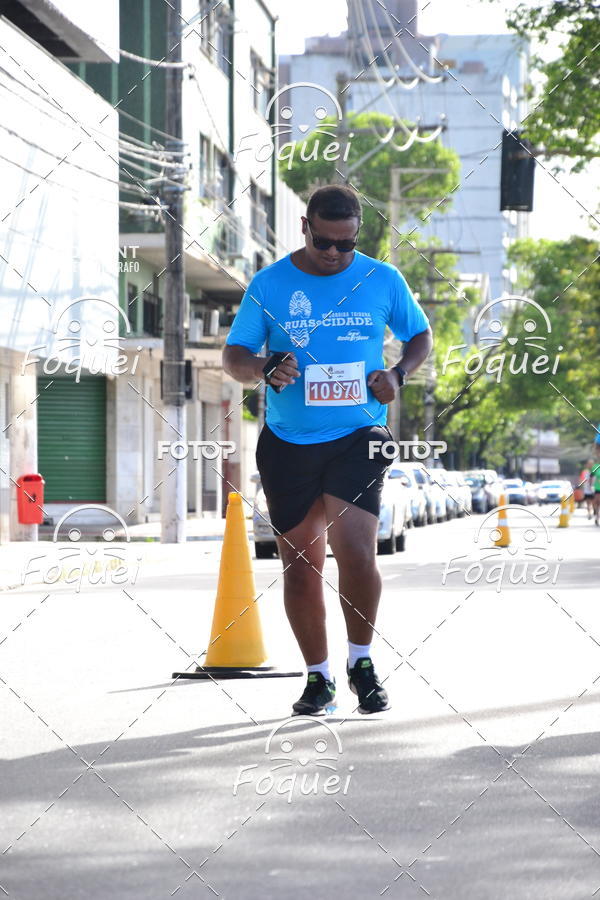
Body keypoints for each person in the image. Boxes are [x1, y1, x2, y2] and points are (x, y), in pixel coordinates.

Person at [223, 184, 432, 716]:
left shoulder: (383, 279)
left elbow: (419, 336)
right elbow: (235, 354)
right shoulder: (270, 285)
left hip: (359, 436)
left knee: (359, 552)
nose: (336, 253)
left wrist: (398, 375)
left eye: (346, 243)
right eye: (325, 242)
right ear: (304, 227)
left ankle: (361, 662)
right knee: (301, 565)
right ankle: (318, 677)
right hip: (288, 443)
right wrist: (264, 367)